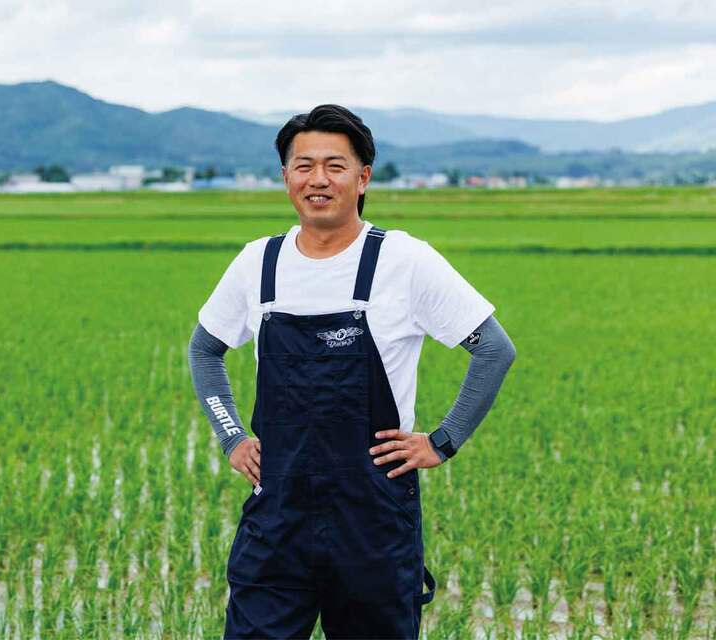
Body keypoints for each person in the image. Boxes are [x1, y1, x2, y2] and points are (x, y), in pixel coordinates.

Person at [187, 104, 516, 639]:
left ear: (363, 178)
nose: (318, 179)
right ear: (286, 177)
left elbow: (494, 350)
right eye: (304, 165)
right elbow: (204, 351)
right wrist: (231, 438)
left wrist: (443, 440)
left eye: (335, 166)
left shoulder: (404, 261)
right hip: (277, 519)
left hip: (372, 519)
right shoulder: (258, 263)